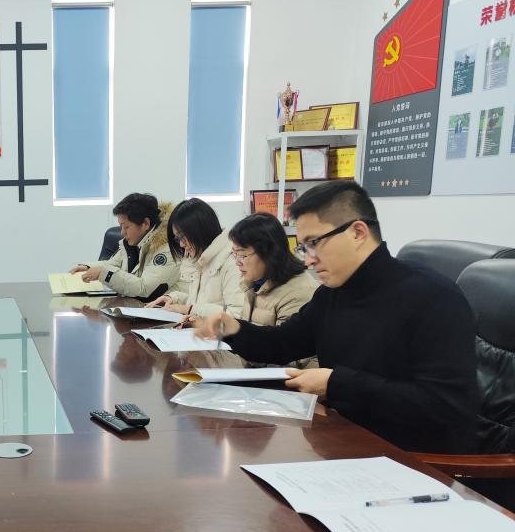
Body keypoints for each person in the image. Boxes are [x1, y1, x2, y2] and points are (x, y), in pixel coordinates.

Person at [194, 180, 478, 453]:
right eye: (303, 247)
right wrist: (235, 330)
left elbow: (446, 405)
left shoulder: (433, 297)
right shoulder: (333, 294)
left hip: (410, 458)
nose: (308, 260)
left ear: (357, 232)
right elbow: (283, 343)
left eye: (314, 243)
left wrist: (337, 384)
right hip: (343, 439)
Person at [69, 192, 183, 302]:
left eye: (126, 227)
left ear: (146, 223)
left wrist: (104, 274)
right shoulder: (134, 241)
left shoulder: (168, 248)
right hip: (136, 308)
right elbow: (111, 264)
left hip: (163, 311)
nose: (122, 233)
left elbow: (145, 289)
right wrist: (88, 267)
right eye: (121, 226)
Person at [146, 197, 244, 318]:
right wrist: (174, 298)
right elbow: (202, 301)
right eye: (178, 239)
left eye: (182, 237)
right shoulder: (201, 258)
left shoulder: (232, 261)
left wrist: (190, 309)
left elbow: (236, 315)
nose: (181, 244)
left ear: (199, 231)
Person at [228, 212, 318, 327]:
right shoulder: (255, 283)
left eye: (242, 255)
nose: (237, 262)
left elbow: (285, 339)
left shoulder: (297, 293)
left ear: (269, 253)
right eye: (234, 254)